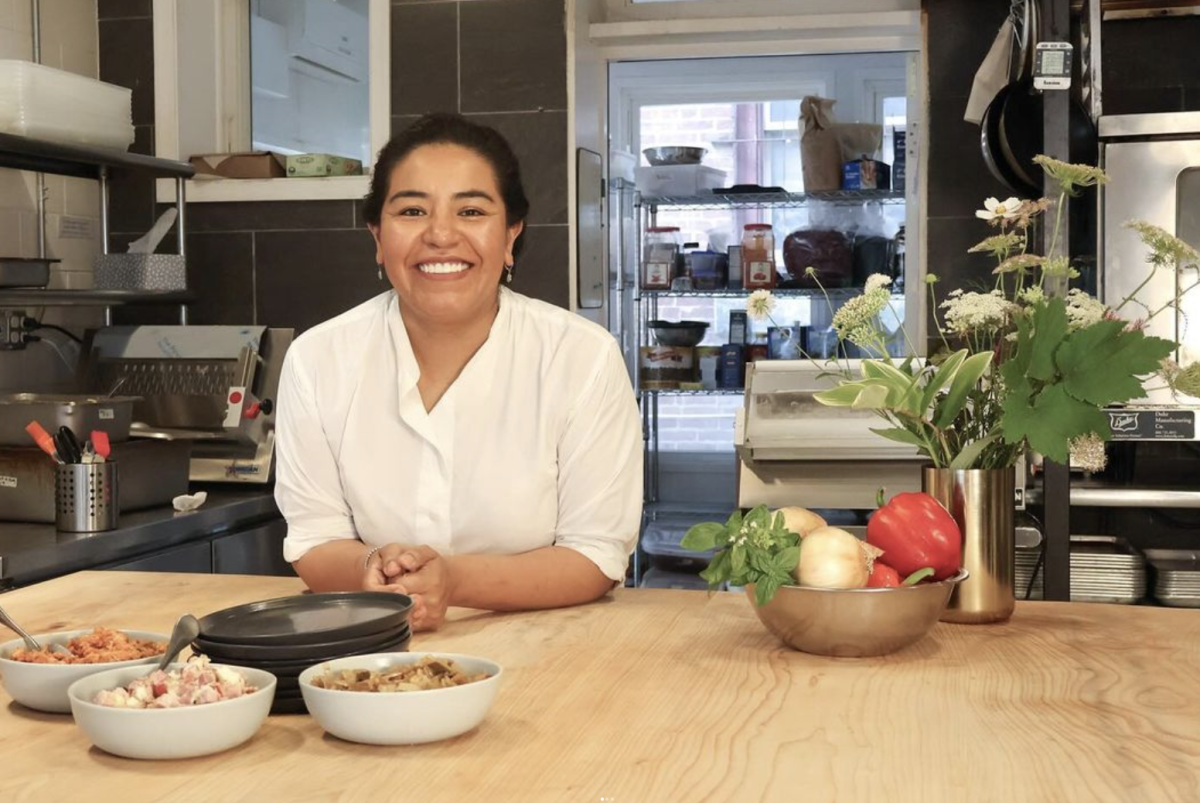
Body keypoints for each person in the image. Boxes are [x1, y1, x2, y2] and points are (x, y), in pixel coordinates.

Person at [273, 113, 643, 631]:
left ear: (511, 233)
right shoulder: (318, 359)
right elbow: (314, 538)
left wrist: (453, 581)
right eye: (412, 210)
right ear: (378, 237)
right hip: (368, 649)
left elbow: (595, 556)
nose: (441, 234)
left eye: (471, 210)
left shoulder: (581, 357)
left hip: (550, 651)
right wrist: (371, 571)